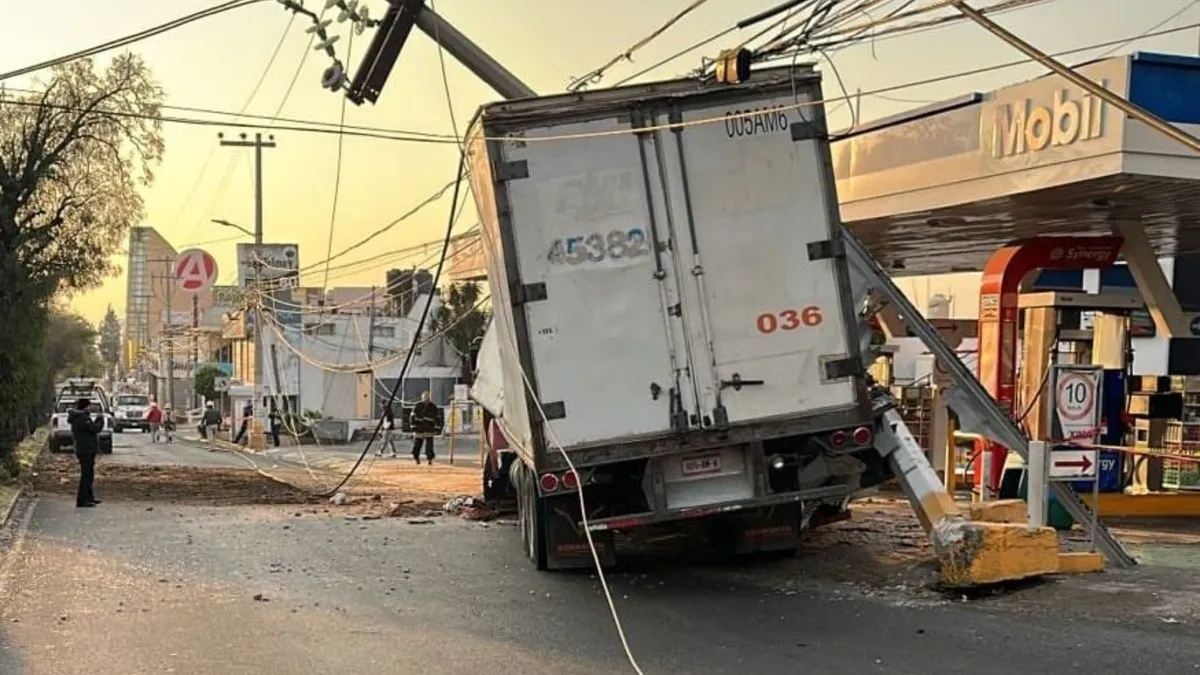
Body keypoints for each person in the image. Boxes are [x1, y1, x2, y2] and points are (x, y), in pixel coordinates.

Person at [68, 397, 104, 508]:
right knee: (86, 475)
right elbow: (94, 429)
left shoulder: (81, 417)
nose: (91, 408)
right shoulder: (82, 418)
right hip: (85, 449)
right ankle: (83, 500)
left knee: (89, 474)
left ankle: (89, 497)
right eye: (89, 406)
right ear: (85, 406)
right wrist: (100, 419)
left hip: (85, 448)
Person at [409, 391, 440, 465]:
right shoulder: (417, 405)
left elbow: (437, 418)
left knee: (429, 447)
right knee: (417, 445)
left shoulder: (433, 406)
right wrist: (412, 426)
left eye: (428, 399)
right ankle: (416, 457)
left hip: (429, 429)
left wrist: (437, 428)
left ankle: (430, 459)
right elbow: (412, 417)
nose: (426, 400)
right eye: (425, 399)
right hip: (419, 428)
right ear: (422, 398)